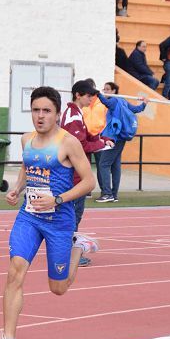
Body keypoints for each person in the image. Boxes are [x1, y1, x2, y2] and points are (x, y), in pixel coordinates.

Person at [0, 86, 99, 339]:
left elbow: (89, 182)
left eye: (46, 111)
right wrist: (17, 189)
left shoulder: (68, 142)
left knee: (58, 288)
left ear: (57, 114)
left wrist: (58, 199)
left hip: (59, 221)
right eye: (36, 110)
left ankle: (78, 247)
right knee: (15, 271)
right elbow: (28, 166)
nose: (40, 116)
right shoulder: (27, 140)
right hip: (29, 217)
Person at [61, 80, 112, 266]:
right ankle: (67, 253)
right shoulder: (73, 117)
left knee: (73, 214)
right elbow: (79, 146)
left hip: (76, 174)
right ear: (78, 95)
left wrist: (102, 139)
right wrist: (101, 145)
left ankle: (66, 250)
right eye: (89, 95)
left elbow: (87, 136)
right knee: (73, 215)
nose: (91, 99)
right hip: (73, 175)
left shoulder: (76, 113)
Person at [93, 82, 146, 203]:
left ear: (114, 91)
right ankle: (114, 194)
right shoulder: (123, 101)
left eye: (107, 89)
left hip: (114, 138)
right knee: (115, 165)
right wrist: (144, 103)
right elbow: (136, 109)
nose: (105, 91)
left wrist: (98, 94)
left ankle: (107, 193)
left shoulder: (114, 100)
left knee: (103, 164)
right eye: (104, 89)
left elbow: (106, 102)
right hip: (121, 138)